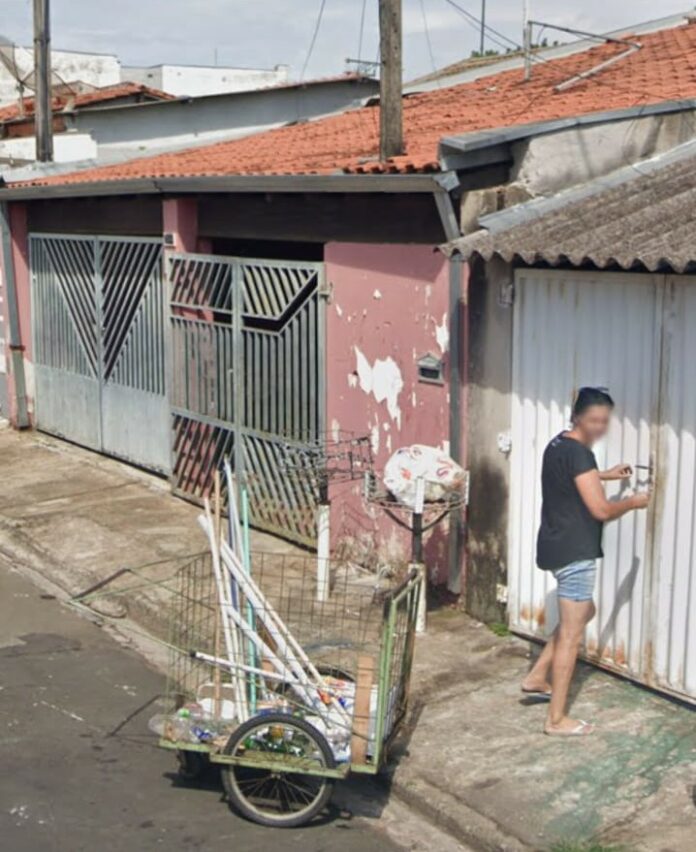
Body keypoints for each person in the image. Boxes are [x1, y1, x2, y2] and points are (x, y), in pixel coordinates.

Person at [521, 387, 650, 736]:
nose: (599, 426)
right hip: (575, 553)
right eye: (594, 419)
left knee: (584, 612)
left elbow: (571, 480)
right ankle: (556, 720)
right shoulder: (579, 454)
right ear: (577, 416)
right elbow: (601, 510)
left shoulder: (558, 444)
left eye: (604, 421)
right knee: (572, 636)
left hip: (554, 546)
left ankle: (536, 677)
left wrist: (605, 474)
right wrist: (635, 502)